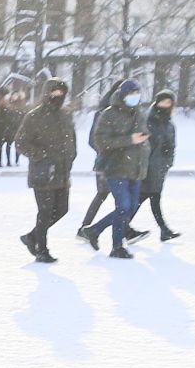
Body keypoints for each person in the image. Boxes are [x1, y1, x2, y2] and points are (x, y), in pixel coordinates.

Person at [76, 79, 152, 260]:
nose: (135, 97)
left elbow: (142, 137)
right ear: (123, 95)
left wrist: (144, 145)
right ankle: (117, 246)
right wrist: (129, 140)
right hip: (115, 167)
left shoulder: (140, 113)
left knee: (130, 207)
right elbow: (100, 141)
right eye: (132, 93)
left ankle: (94, 230)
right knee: (123, 206)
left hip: (135, 168)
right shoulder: (108, 114)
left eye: (137, 93)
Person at [13, 79, 76, 264]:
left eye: (61, 93)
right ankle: (42, 249)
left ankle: (32, 237)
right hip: (43, 171)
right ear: (47, 93)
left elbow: (71, 139)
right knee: (45, 211)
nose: (58, 96)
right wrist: (40, 155)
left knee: (62, 209)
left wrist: (71, 157)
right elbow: (20, 142)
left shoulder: (65, 115)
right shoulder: (34, 116)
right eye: (54, 92)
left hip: (63, 171)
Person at [126, 90, 180, 242]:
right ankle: (120, 227)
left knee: (149, 198)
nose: (165, 105)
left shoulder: (169, 125)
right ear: (157, 102)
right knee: (143, 198)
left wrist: (168, 163)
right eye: (163, 101)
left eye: (168, 102)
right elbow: (141, 144)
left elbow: (172, 146)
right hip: (145, 167)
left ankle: (163, 230)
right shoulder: (147, 120)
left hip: (159, 168)